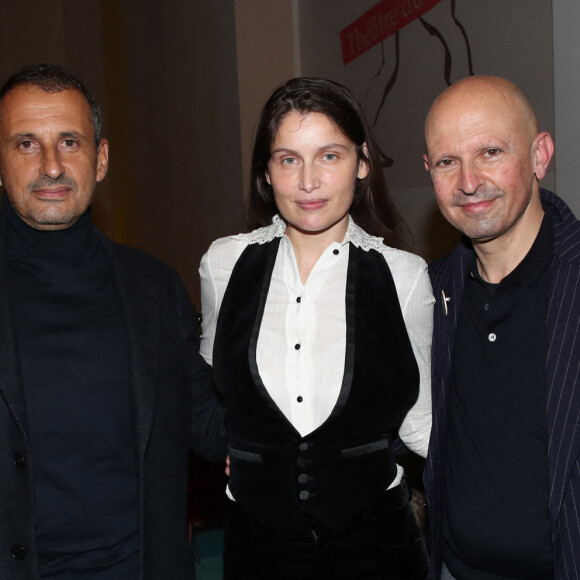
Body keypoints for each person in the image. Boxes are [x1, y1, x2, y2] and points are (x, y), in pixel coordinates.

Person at [199, 77, 433, 579]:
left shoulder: (405, 277)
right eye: (288, 159)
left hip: (380, 552)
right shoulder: (223, 265)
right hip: (257, 552)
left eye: (329, 156)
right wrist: (234, 448)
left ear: (362, 162)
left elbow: (420, 418)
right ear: (267, 170)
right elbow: (213, 385)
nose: (308, 182)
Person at [0, 63, 226, 579]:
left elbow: (213, 429)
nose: (53, 166)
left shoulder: (154, 288)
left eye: (71, 143)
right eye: (27, 144)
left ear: (100, 159)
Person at [423, 75, 580, 579]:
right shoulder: (427, 293)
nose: (468, 181)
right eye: (448, 161)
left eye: (490, 152)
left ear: (540, 155)